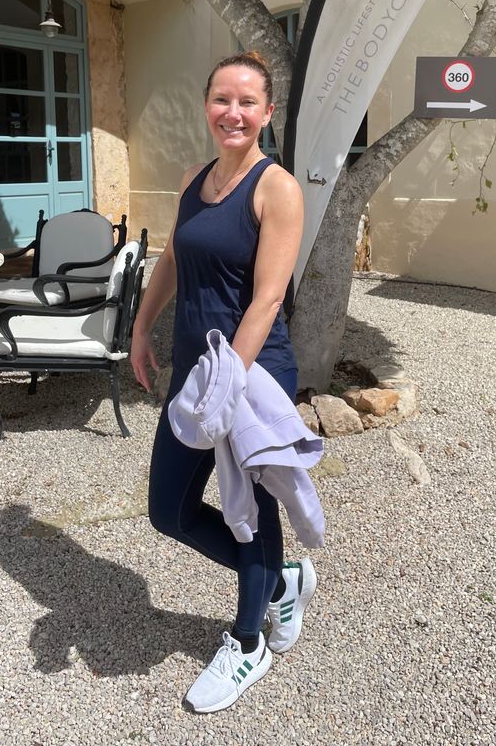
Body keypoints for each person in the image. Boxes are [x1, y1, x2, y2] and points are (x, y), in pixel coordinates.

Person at [130, 51, 318, 714]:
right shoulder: (193, 180)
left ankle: (247, 644)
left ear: (267, 113)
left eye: (247, 102)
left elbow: (267, 299)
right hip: (194, 371)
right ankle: (283, 583)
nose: (232, 112)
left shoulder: (277, 189)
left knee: (248, 512)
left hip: (252, 373)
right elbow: (173, 262)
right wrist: (141, 326)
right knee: (168, 511)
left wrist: (229, 383)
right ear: (207, 106)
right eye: (221, 99)